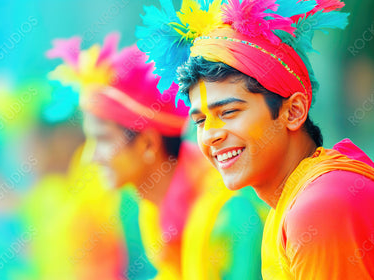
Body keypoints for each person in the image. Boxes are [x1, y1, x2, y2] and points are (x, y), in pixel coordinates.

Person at [136, 0, 374, 279]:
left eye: (229, 112)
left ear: (293, 112)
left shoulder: (318, 205)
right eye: (200, 121)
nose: (211, 135)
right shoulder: (286, 207)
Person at [48, 32, 267, 279]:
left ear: (149, 145)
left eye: (102, 140)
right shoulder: (151, 213)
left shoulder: (230, 215)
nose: (90, 158)